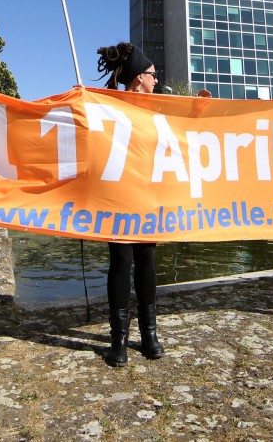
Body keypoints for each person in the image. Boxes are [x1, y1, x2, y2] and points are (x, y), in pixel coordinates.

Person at [95, 42, 165, 366]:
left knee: (146, 260)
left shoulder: (160, 108)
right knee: (122, 261)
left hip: (147, 193)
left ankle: (149, 335)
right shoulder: (110, 105)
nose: (156, 79)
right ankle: (118, 341)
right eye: (152, 75)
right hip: (118, 194)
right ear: (139, 78)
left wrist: (199, 113)